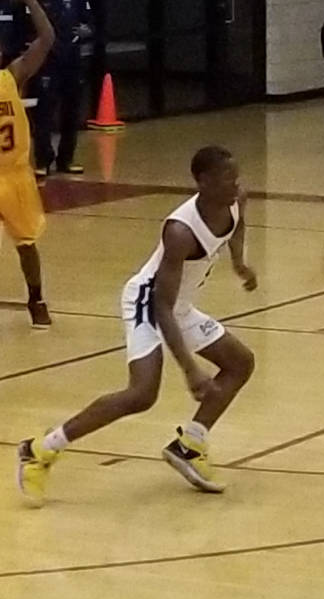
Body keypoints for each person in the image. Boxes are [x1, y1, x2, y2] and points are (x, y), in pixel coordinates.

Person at [16, 146, 258, 507]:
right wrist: (190, 369)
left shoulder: (236, 198)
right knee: (142, 394)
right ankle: (40, 450)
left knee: (241, 362)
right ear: (202, 182)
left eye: (235, 175)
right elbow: (161, 307)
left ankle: (190, 444)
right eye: (226, 177)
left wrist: (239, 263)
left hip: (179, 305)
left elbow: (237, 224)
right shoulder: (180, 230)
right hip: (148, 302)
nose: (235, 183)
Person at [0, 0, 55, 328]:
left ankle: (37, 298)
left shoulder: (12, 76)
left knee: (26, 243)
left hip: (14, 175)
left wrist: (31, 2)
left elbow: (47, 37)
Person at [29, 0, 92, 177]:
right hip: (48, 61)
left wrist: (86, 31)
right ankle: (43, 160)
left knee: (71, 112)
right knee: (44, 112)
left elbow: (89, 23)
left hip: (72, 59)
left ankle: (66, 159)